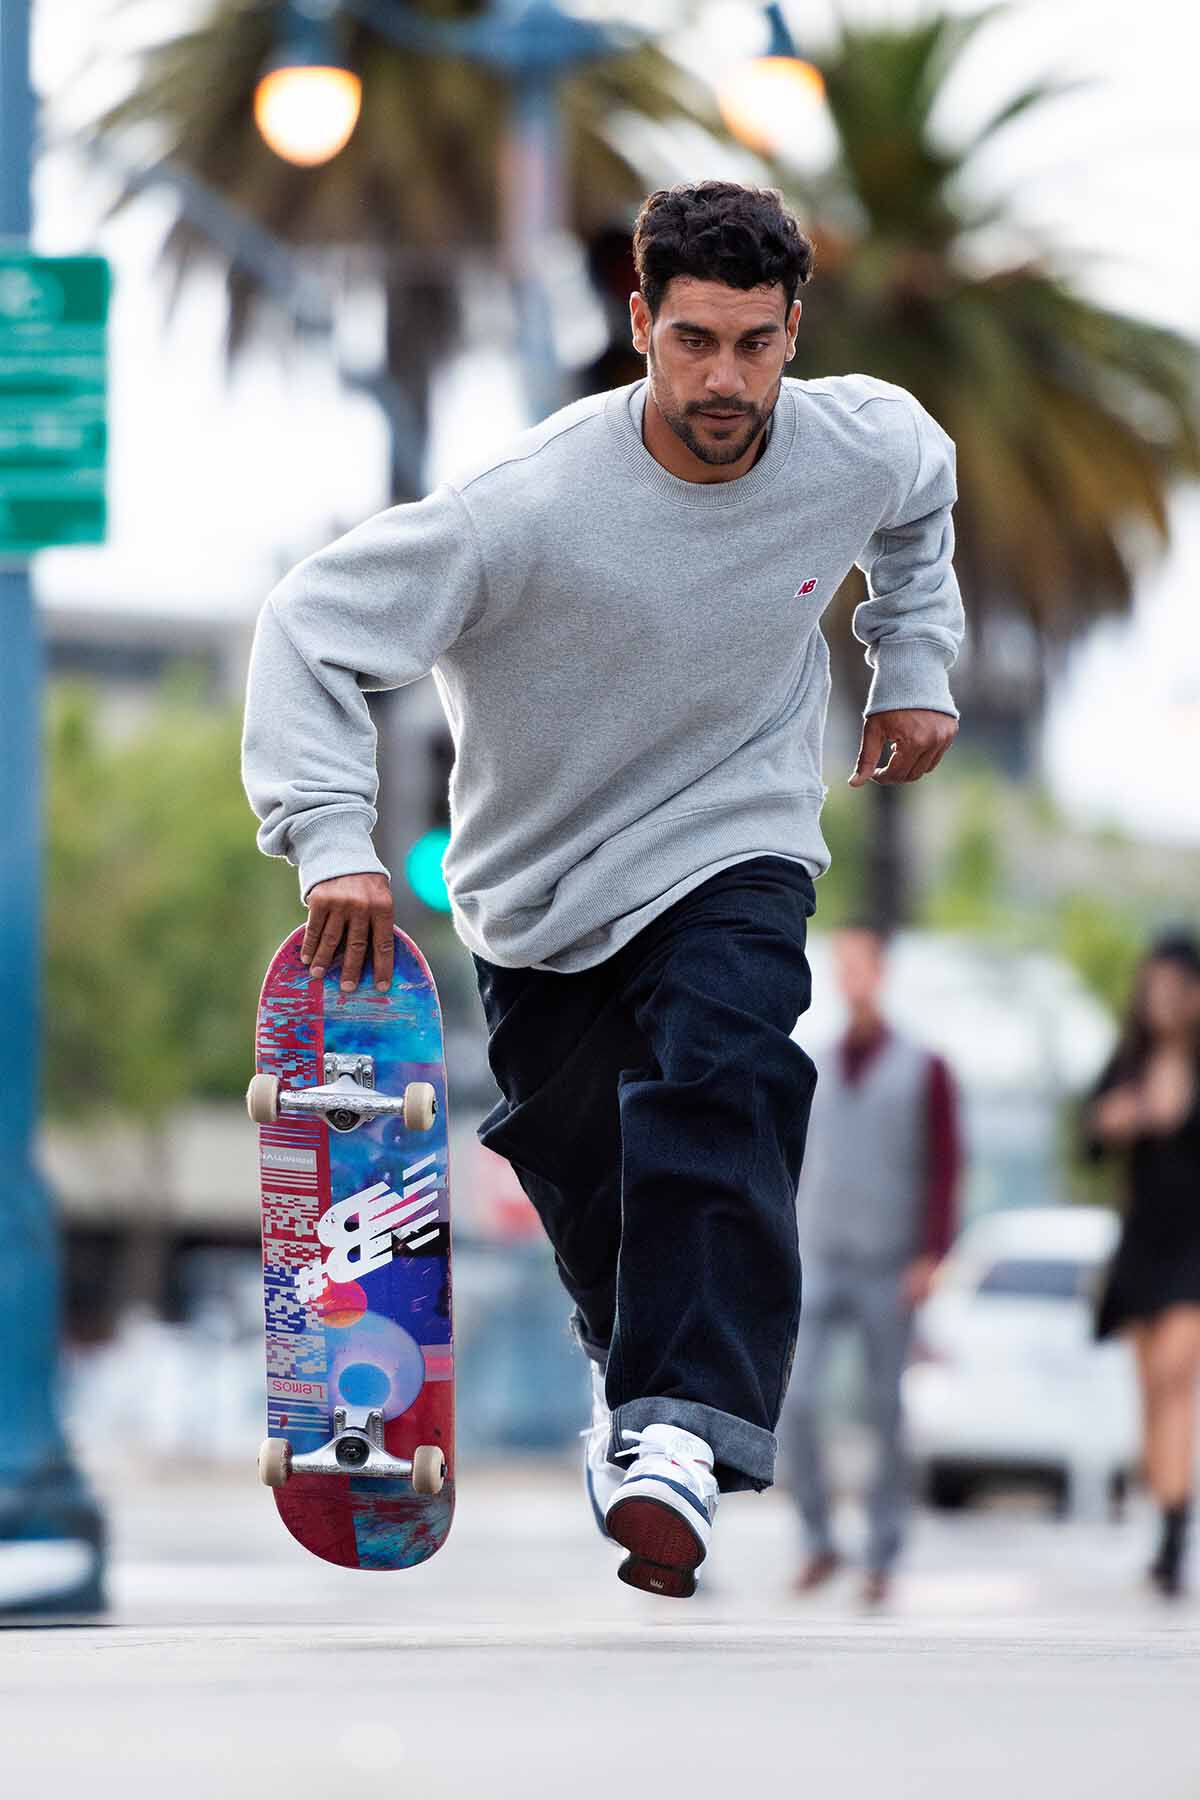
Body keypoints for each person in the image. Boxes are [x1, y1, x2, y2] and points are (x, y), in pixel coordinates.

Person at [241, 181, 965, 1598]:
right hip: (543, 904)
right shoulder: (527, 508)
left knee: (728, 1074)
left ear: (794, 332)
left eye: (756, 345)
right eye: (694, 341)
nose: (724, 381)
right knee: (596, 1194)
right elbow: (309, 627)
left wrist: (915, 661)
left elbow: (923, 498)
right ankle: (629, 1389)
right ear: (640, 322)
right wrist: (333, 837)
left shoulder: (856, 440)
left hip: (735, 844)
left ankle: (682, 1437)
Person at [780, 924, 961, 1607]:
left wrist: (932, 1253)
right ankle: (819, 1539)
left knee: (886, 1411)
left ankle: (883, 1553)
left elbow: (946, 1167)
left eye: (860, 965)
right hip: (822, 1253)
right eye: (842, 965)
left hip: (891, 1262)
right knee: (796, 1404)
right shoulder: (816, 1062)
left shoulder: (925, 1067)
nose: (850, 977)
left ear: (881, 973)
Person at [1086, 931, 1200, 1599]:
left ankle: (1174, 1528)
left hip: (1195, 1241)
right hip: (1142, 1243)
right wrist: (1117, 1118)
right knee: (1153, 1392)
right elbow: (1092, 1136)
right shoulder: (1126, 1059)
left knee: (1176, 1370)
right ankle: (1168, 1522)